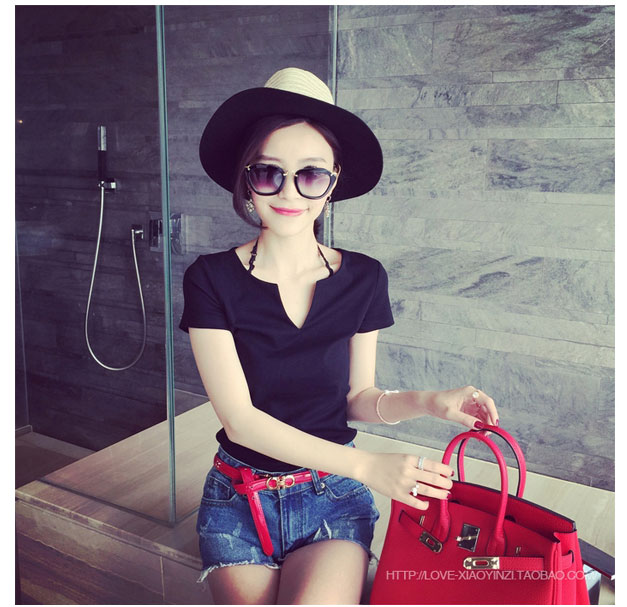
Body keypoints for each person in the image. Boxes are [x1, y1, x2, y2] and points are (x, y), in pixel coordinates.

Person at [179, 67, 499, 605]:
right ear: (246, 179)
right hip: (239, 497)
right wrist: (369, 466)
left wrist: (429, 402)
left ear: (332, 182)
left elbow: (357, 398)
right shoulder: (210, 278)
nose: (289, 192)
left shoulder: (365, 277)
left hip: (330, 494)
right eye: (269, 172)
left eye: (310, 174)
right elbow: (240, 420)